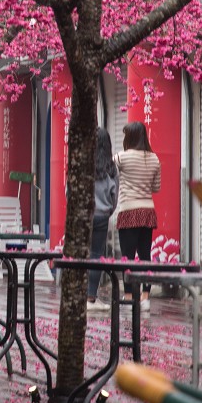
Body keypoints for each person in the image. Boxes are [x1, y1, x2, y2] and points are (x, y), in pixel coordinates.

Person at [114, 120, 161, 311]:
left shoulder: (121, 157)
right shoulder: (154, 159)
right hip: (147, 211)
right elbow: (156, 188)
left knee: (128, 257)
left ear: (130, 137)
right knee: (145, 256)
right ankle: (145, 297)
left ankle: (127, 295)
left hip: (128, 210)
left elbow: (110, 173)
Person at [87, 127, 119, 312]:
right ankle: (91, 297)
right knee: (96, 255)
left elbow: (70, 190)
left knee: (80, 256)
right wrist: (108, 210)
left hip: (84, 216)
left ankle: (79, 295)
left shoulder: (83, 163)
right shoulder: (110, 167)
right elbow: (115, 194)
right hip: (102, 216)